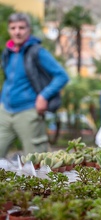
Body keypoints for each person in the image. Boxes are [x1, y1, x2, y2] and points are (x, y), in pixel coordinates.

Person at [0, 13, 69, 158]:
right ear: (9, 30)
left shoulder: (37, 52)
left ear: (28, 30)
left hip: (29, 112)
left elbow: (62, 76)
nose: (17, 32)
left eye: (21, 27)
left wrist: (44, 96)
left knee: (36, 161)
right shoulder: (7, 52)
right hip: (5, 111)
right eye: (13, 28)